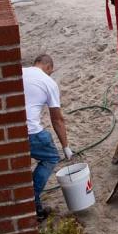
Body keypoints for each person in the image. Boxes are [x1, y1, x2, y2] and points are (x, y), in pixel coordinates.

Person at [23, 54, 73, 221]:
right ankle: (31, 198)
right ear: (49, 67)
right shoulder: (48, 82)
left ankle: (35, 206)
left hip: (12, 132)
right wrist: (66, 147)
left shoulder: (20, 72)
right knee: (51, 157)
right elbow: (57, 119)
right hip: (31, 132)